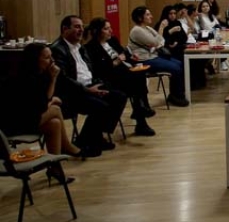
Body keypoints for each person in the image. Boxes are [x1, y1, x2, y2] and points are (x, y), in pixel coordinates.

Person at [0, 43, 81, 181]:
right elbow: (42, 105)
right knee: (55, 109)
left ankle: (55, 168)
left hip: (28, 118)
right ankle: (66, 146)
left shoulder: (40, 74)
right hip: (12, 125)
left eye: (51, 57)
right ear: (35, 60)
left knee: (54, 124)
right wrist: (53, 81)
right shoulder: (24, 78)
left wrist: (51, 88)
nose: (52, 61)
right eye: (47, 58)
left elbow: (40, 104)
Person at [50, 15, 128, 157]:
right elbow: (63, 80)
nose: (81, 30)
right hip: (71, 92)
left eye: (82, 27)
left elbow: (89, 70)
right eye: (77, 27)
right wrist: (87, 90)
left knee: (119, 97)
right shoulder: (57, 49)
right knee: (101, 106)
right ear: (65, 29)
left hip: (89, 85)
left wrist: (98, 84)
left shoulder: (80, 47)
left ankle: (95, 136)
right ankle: (84, 141)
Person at [84, 17, 156, 136]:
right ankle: (141, 112)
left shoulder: (112, 40)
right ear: (97, 31)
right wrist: (116, 62)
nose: (110, 31)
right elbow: (99, 70)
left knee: (139, 76)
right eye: (106, 29)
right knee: (136, 80)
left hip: (124, 73)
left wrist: (130, 57)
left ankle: (141, 113)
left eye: (110, 28)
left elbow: (124, 54)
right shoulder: (91, 48)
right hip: (110, 78)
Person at [128, 6, 188, 107]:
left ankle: (174, 94)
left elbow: (161, 41)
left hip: (153, 55)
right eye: (147, 15)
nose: (151, 16)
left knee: (179, 63)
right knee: (176, 68)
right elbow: (156, 42)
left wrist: (158, 41)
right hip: (144, 60)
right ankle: (177, 96)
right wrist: (161, 28)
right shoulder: (137, 30)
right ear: (139, 18)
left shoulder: (147, 28)